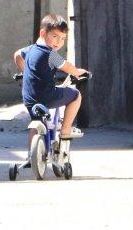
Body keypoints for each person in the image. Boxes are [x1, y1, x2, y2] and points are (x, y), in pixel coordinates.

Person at [22, 14, 88, 142]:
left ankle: (31, 156)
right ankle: (66, 130)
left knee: (36, 123)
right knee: (75, 95)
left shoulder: (30, 50)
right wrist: (77, 72)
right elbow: (66, 66)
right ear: (43, 33)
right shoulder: (50, 54)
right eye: (55, 36)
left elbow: (18, 55)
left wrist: (26, 71)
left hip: (29, 98)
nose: (59, 42)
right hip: (46, 96)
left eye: (63, 38)